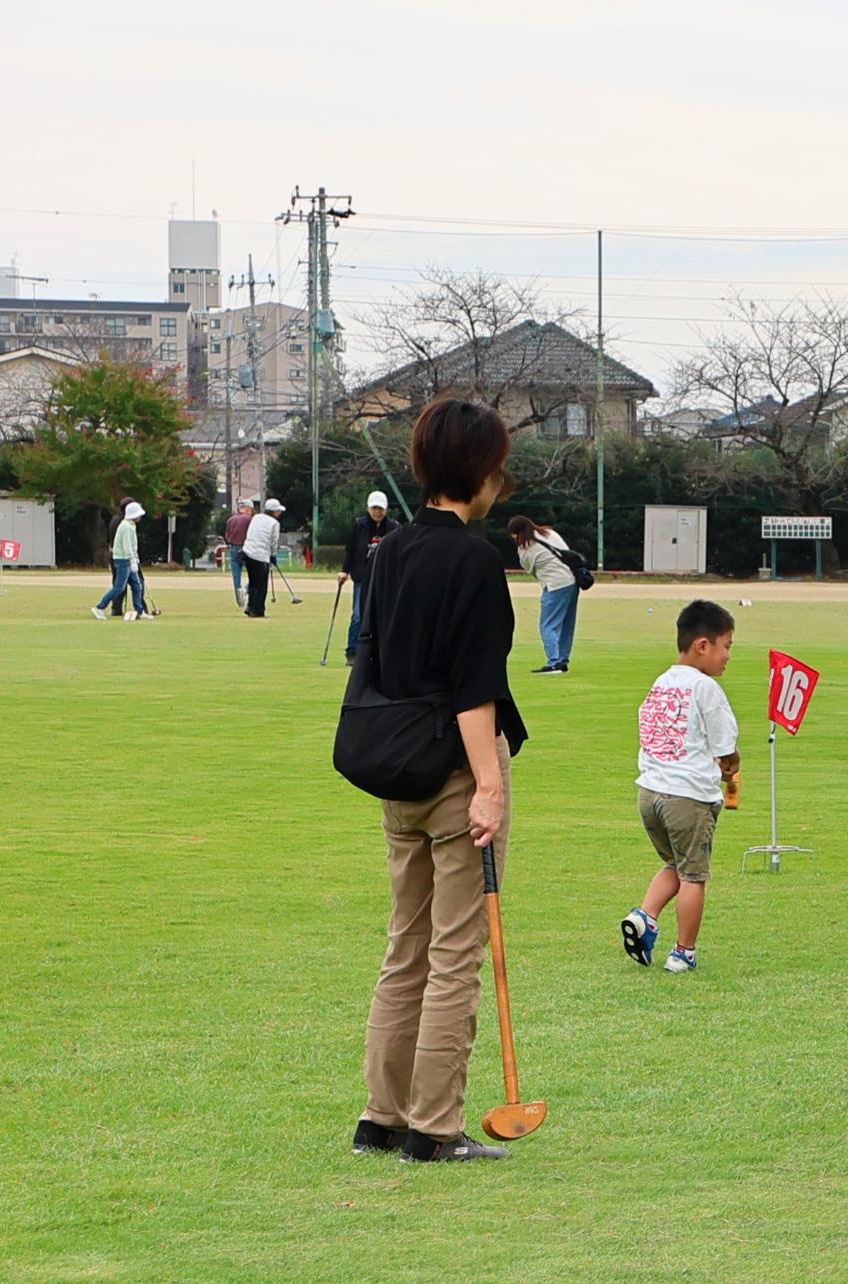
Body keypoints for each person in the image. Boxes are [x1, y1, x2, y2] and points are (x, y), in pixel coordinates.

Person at [354, 399, 528, 1164]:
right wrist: (488, 785)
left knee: (406, 947)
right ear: (480, 471)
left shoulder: (388, 549)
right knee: (454, 952)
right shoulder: (476, 559)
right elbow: (473, 687)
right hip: (457, 770)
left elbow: (382, 661)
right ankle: (435, 1127)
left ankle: (381, 1117)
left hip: (398, 769)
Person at [620, 600, 740, 974]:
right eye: (726, 647)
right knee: (694, 875)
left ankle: (646, 915)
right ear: (703, 645)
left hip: (649, 793)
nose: (727, 657)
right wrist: (731, 767)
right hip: (687, 797)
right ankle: (683, 952)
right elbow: (725, 747)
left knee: (674, 862)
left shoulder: (661, 682)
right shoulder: (705, 689)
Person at [507, 515, 579, 674]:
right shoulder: (549, 533)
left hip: (555, 585)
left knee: (548, 625)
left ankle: (553, 662)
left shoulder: (526, 548)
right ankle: (562, 661)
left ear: (516, 533)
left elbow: (530, 569)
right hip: (573, 581)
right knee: (567, 624)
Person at [339, 490, 399, 662]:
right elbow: (351, 550)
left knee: (383, 616)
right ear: (368, 508)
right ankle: (352, 651)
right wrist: (345, 570)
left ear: (386, 509)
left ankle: (380, 653)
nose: (377, 512)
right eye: (374, 508)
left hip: (385, 579)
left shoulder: (394, 527)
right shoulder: (360, 525)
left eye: (380, 509)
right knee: (358, 615)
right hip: (362, 577)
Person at [92, 500, 150, 621]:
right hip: (123, 560)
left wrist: (135, 559)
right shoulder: (126, 527)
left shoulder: (129, 525)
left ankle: (140, 611)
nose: (140, 517)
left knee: (137, 586)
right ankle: (99, 607)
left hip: (127, 559)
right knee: (119, 587)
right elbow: (127, 546)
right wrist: (132, 561)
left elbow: (133, 547)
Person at [241, 498, 284, 618]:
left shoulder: (256, 517)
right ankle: (258, 611)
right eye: (278, 511)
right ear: (274, 512)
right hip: (260, 556)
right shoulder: (275, 523)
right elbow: (273, 542)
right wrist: (273, 555)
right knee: (261, 585)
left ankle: (250, 607)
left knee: (253, 582)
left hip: (247, 552)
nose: (279, 513)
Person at [224, 498, 255, 609]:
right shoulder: (249, 520)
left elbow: (227, 536)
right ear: (247, 509)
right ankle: (246, 589)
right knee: (255, 573)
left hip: (233, 548)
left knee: (236, 575)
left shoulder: (231, 519)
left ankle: (239, 596)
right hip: (246, 548)